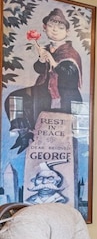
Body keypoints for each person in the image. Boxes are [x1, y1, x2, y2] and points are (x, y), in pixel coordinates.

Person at [3, 8, 83, 152]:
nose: (55, 30)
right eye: (51, 26)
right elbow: (39, 69)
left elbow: (69, 77)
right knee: (14, 97)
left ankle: (34, 139)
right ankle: (23, 132)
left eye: (60, 27)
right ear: (45, 28)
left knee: (40, 117)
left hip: (64, 96)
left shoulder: (70, 52)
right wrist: (42, 58)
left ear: (67, 32)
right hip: (44, 90)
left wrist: (51, 60)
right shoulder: (48, 48)